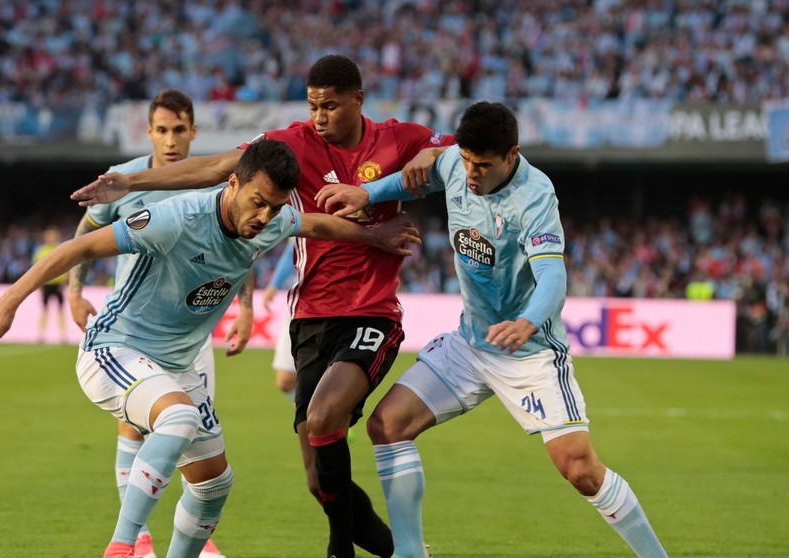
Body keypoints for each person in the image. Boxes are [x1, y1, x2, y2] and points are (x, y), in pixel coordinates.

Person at [71, 54, 455, 558]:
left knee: (322, 419)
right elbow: (213, 167)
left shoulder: (398, 138)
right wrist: (132, 182)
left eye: (330, 105)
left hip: (370, 310)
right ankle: (406, 552)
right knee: (319, 481)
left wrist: (437, 154)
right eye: (313, 105)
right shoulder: (291, 143)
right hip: (311, 316)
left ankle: (339, 548)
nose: (319, 116)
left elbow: (464, 151)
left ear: (358, 100)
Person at [0, 139, 421, 558]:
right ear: (232, 183)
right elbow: (79, 247)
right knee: (178, 418)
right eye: (257, 202)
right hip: (116, 348)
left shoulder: (274, 219)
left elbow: (315, 224)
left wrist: (373, 237)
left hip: (178, 364)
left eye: (275, 206)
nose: (264, 216)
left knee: (213, 485)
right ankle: (122, 547)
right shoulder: (175, 220)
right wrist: (7, 303)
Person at [315, 101, 668, 557]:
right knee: (387, 424)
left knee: (579, 468)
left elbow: (554, 278)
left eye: (482, 166)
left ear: (512, 155)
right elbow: (416, 179)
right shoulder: (455, 163)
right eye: (465, 161)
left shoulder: (536, 195)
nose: (471, 174)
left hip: (529, 354)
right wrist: (369, 194)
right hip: (471, 345)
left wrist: (527, 321)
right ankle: (409, 552)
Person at [67, 88, 245, 558]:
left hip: (193, 330)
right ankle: (137, 538)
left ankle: (196, 539)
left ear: (194, 132)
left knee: (190, 440)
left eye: (179, 130)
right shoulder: (124, 179)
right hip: (135, 327)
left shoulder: (214, 181)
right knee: (140, 426)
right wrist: (74, 290)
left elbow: (240, 245)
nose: (170, 140)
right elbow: (85, 234)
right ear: (149, 132)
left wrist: (243, 309)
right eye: (162, 130)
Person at [263, 239, 297, 400]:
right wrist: (274, 284)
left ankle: (334, 423)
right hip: (299, 306)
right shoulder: (302, 214)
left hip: (340, 308)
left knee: (322, 381)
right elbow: (293, 249)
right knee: (286, 380)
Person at [33, 226, 69, 344]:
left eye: (52, 235)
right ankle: (41, 335)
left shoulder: (61, 248)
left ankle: (63, 335)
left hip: (58, 284)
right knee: (44, 310)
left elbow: (67, 265)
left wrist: (65, 281)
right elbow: (36, 268)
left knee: (60, 310)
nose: (50, 238)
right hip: (46, 284)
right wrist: (38, 284)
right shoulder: (41, 250)